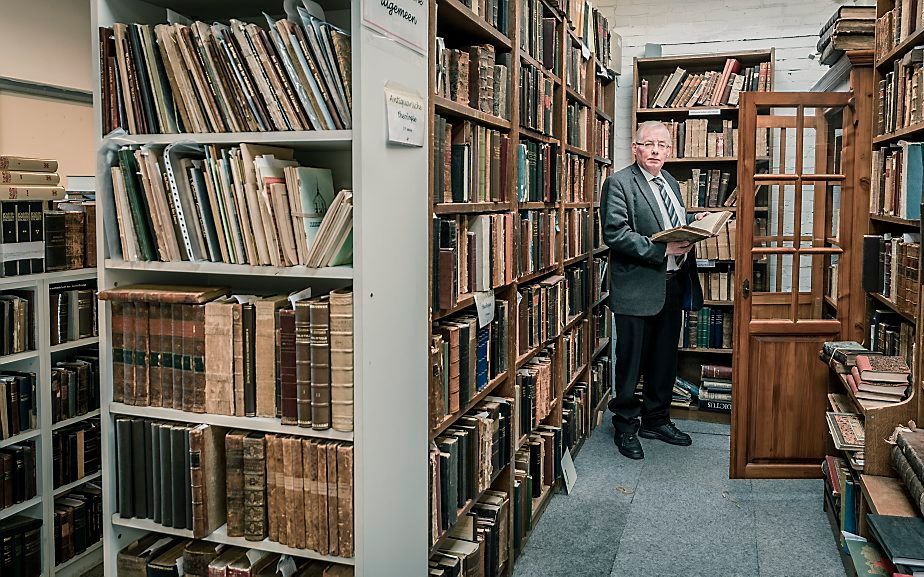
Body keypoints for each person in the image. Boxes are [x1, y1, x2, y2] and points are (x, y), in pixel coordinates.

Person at [599, 120, 705, 460]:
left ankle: (656, 419)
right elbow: (615, 234)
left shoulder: (670, 182)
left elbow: (669, 223)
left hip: (671, 284)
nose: (656, 150)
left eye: (663, 145)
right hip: (636, 288)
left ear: (670, 151)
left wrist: (694, 223)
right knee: (630, 363)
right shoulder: (619, 183)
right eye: (649, 144)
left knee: (664, 359)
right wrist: (662, 250)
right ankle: (625, 424)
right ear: (636, 148)